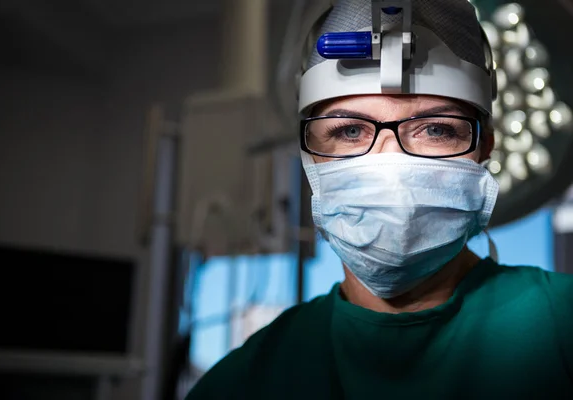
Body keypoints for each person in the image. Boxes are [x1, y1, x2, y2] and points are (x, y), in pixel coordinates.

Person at [186, 0, 573, 398]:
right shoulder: (244, 384)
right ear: (311, 157)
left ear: (484, 148)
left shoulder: (560, 329)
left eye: (436, 130)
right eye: (351, 131)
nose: (391, 165)